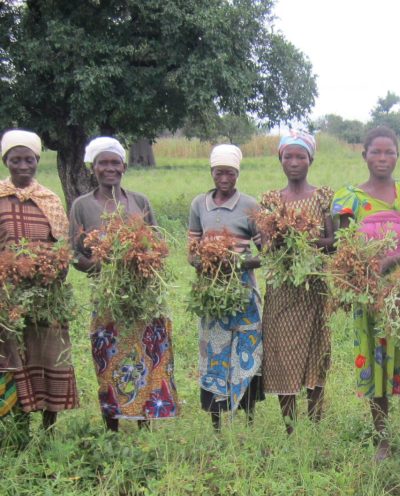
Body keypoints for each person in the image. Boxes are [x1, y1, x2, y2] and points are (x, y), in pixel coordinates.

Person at [69, 137, 178, 431]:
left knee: (145, 360)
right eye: (103, 163)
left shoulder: (139, 202)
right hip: (107, 299)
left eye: (114, 163)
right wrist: (101, 264)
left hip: (143, 299)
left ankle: (144, 425)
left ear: (124, 166)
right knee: (108, 363)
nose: (109, 169)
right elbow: (74, 254)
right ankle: (112, 428)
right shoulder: (82, 206)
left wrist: (141, 257)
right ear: (93, 168)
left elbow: (157, 244)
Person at [332, 126, 400, 459]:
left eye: (390, 152)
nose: (383, 158)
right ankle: (382, 439)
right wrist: (360, 275)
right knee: (374, 362)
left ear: (398, 156)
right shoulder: (350, 198)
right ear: (364, 155)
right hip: (369, 295)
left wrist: (393, 260)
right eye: (376, 152)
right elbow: (344, 249)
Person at [0, 129, 78, 444]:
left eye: (28, 159)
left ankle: (48, 431)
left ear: (36, 161)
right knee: (13, 359)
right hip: (8, 297)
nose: (22, 166)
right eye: (15, 159)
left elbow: (62, 247)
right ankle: (17, 434)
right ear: (5, 161)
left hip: (47, 297)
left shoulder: (50, 200)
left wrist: (53, 271)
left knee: (49, 357)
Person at [260, 132, 334, 433]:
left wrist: (303, 241)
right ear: (280, 159)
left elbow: (334, 242)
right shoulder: (271, 200)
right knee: (282, 352)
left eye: (300, 156)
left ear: (311, 160)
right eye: (288, 156)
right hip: (282, 289)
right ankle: (289, 427)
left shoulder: (323, 197)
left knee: (316, 350)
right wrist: (276, 240)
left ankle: (315, 423)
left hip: (314, 287)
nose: (294, 162)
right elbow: (265, 246)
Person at [188, 144, 263, 430]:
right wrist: (209, 261)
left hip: (243, 291)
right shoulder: (198, 205)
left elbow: (263, 252)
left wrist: (237, 262)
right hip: (212, 292)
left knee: (247, 350)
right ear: (211, 172)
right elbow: (191, 253)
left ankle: (249, 420)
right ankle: (217, 423)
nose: (224, 178)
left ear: (237, 174)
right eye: (219, 172)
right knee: (215, 353)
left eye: (230, 173)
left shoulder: (250, 205)